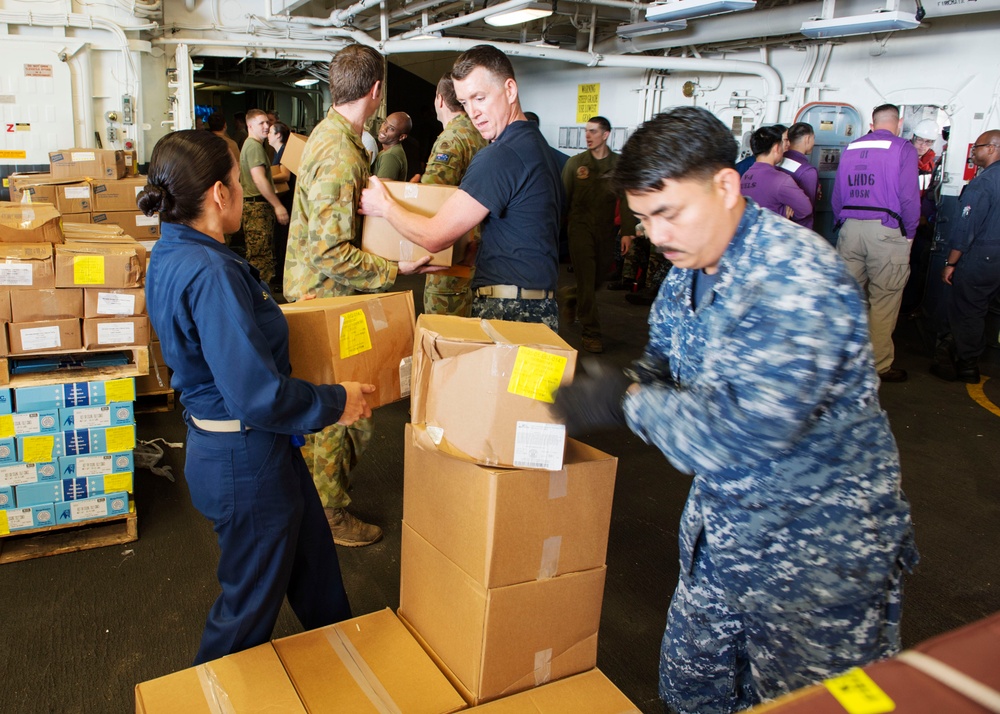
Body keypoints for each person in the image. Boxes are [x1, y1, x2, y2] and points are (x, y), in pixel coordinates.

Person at [553, 106, 918, 714]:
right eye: (644, 220)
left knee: (809, 705)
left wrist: (623, 400)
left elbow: (742, 432)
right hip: (723, 538)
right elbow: (663, 361)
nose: (656, 235)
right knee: (694, 691)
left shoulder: (796, 277)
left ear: (725, 186)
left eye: (668, 213)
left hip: (816, 560)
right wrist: (623, 383)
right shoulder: (687, 269)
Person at [141, 130, 369, 664]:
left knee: (315, 570)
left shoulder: (173, 250)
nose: (245, 191)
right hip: (245, 460)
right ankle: (207, 692)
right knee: (245, 613)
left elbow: (225, 346)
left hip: (255, 449)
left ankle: (351, 675)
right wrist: (336, 402)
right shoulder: (211, 272)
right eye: (239, 182)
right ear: (219, 194)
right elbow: (255, 394)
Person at [282, 43, 434, 547]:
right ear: (376, 90)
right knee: (340, 413)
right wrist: (395, 268)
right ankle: (326, 514)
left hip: (331, 296)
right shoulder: (340, 153)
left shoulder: (334, 138)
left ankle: (318, 502)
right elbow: (329, 251)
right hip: (327, 300)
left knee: (352, 411)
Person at [360, 45, 562, 330]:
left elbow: (434, 237)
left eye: (480, 98)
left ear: (510, 90)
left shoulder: (501, 155)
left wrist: (384, 206)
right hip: (535, 305)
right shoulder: (536, 145)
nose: (474, 112)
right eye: (465, 102)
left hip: (511, 311)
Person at [833, 103, 920, 383]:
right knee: (884, 299)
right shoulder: (903, 148)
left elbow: (838, 194)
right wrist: (909, 234)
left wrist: (843, 224)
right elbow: (909, 197)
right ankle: (877, 365)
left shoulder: (852, 147)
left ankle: (840, 361)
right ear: (899, 123)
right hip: (886, 231)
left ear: (872, 124)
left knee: (847, 298)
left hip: (849, 229)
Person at [560, 115, 638, 353]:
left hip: (605, 230)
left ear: (606, 135)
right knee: (586, 279)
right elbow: (563, 199)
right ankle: (591, 332)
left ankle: (572, 296)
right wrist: (555, 231)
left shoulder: (619, 165)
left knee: (598, 279)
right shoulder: (575, 164)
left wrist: (628, 232)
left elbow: (627, 199)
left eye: (593, 131)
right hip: (579, 229)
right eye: (586, 131)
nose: (588, 136)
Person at [414, 72, 488, 317]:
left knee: (442, 328)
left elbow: (432, 198)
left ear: (440, 99)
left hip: (450, 251)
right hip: (475, 248)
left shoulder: (450, 139)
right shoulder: (478, 134)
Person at [931, 130, 1000, 384]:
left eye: (977, 147)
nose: (972, 152)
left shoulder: (983, 183)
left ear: (991, 148)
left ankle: (967, 365)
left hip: (981, 258)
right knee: (983, 308)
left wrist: (951, 263)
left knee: (969, 310)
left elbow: (965, 229)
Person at [239, 109, 287, 286]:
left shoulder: (252, 145)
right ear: (250, 126)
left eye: (268, 122)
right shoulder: (254, 147)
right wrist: (277, 205)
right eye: (261, 123)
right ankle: (261, 296)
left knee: (260, 255)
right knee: (261, 258)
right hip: (257, 208)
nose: (266, 126)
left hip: (255, 207)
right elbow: (259, 179)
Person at [740, 125, 812, 225]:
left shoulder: (745, 176)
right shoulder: (781, 180)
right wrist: (785, 213)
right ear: (777, 148)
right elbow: (806, 209)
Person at [778, 121, 820, 229]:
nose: (814, 143)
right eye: (813, 138)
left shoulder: (777, 160)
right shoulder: (808, 171)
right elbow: (807, 211)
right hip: (797, 229)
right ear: (807, 139)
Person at [268, 121, 294, 293]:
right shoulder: (279, 152)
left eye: (270, 132)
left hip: (286, 202)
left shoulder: (284, 152)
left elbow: (285, 175)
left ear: (278, 135)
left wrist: (263, 177)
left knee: (283, 238)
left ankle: (282, 276)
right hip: (284, 200)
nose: (268, 135)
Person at [373, 112, 412, 181]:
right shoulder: (389, 151)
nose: (384, 129)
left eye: (391, 128)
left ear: (402, 137)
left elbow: (382, 186)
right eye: (385, 123)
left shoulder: (390, 155)